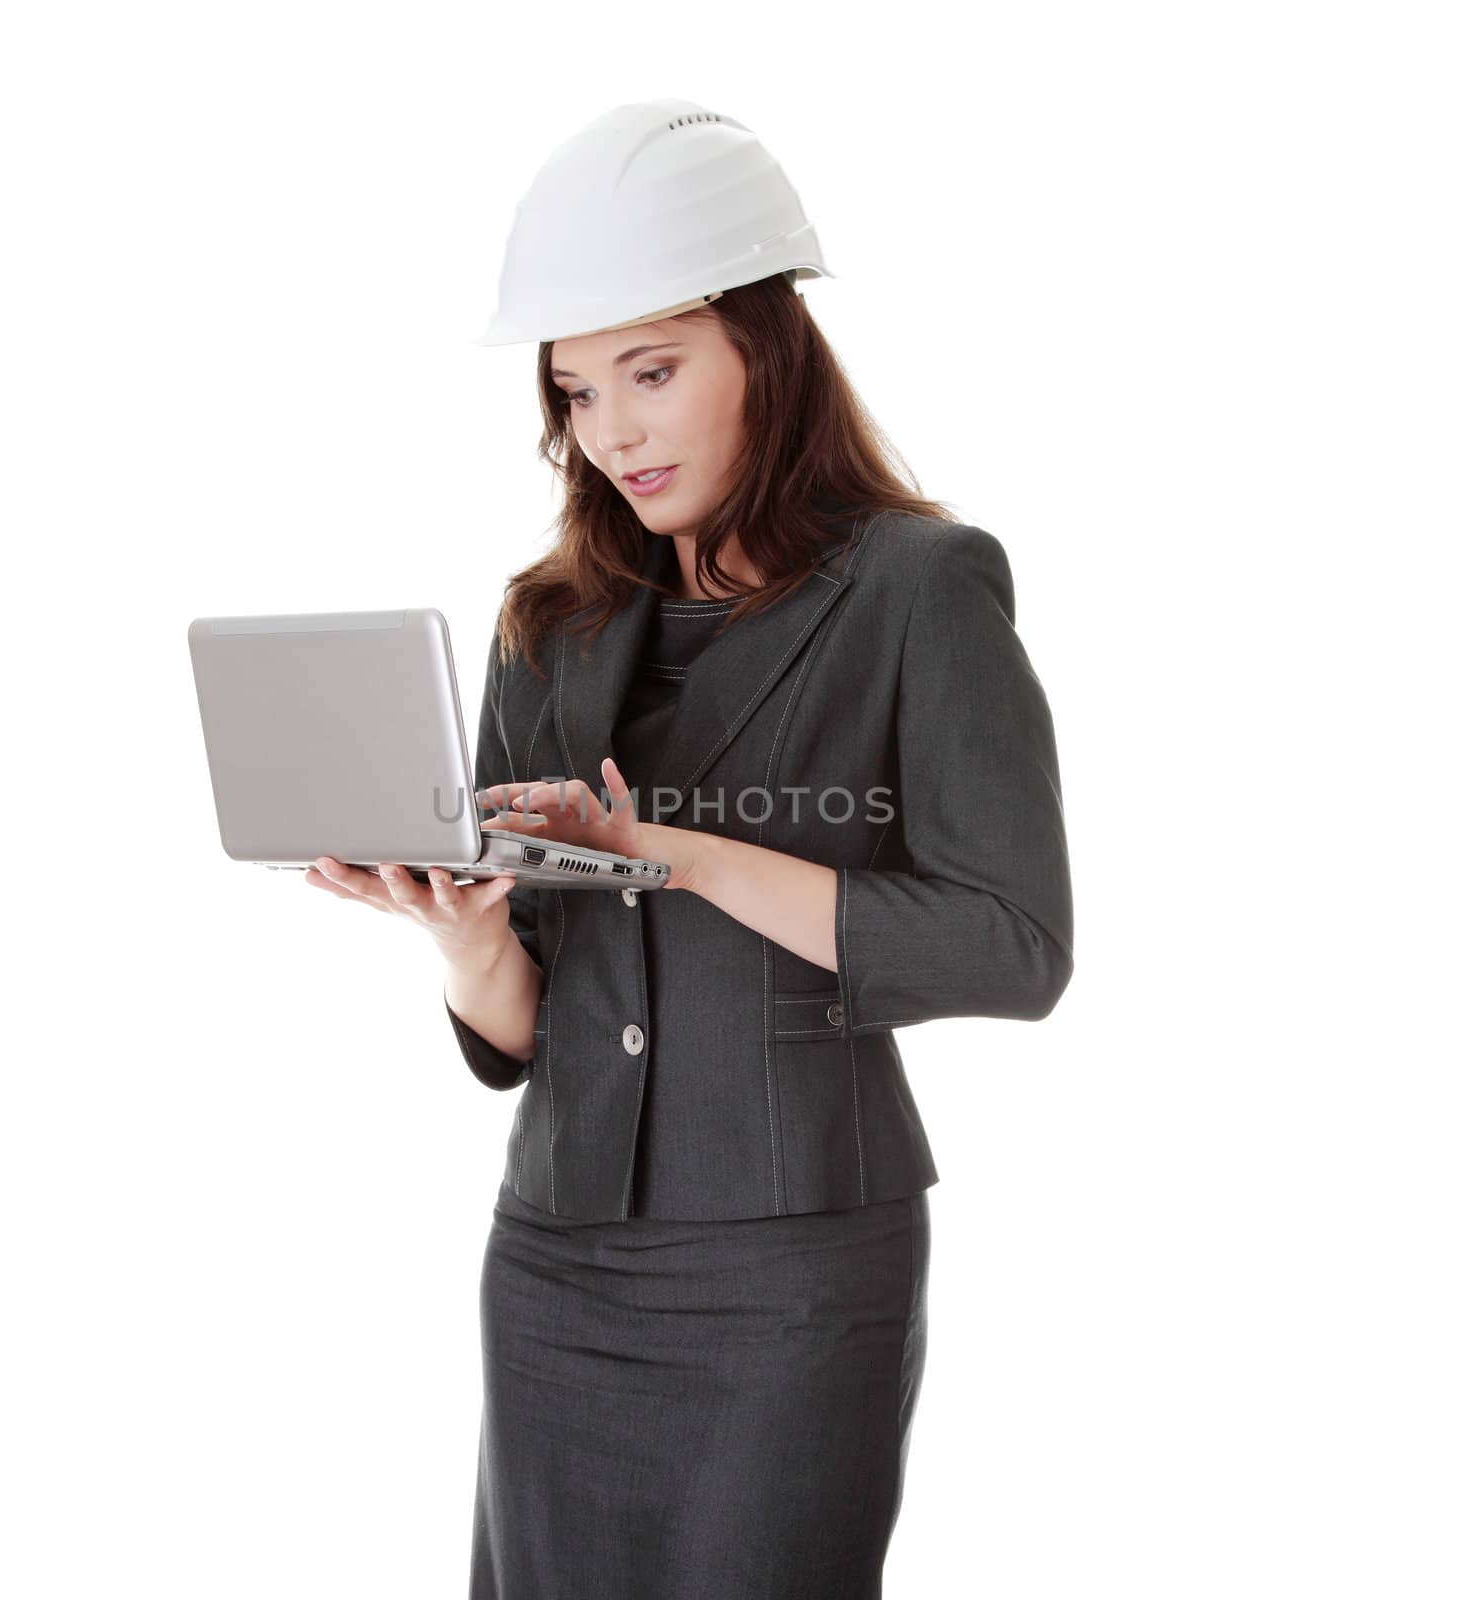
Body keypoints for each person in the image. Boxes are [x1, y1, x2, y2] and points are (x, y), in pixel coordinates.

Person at [305, 99, 1074, 1600]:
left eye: (652, 372)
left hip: (794, 1275)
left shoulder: (920, 586)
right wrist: (463, 934)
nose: (616, 432)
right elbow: (529, 1028)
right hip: (558, 1253)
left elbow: (1012, 946)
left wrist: (679, 854)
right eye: (578, 391)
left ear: (765, 352)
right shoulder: (553, 618)